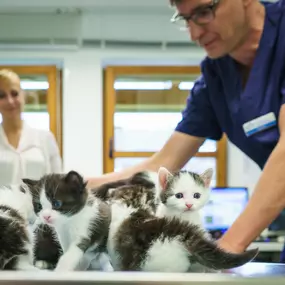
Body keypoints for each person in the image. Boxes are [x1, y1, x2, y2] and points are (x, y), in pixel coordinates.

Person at [88, 0, 285, 255]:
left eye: (204, 12)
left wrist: (226, 248)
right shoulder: (214, 78)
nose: (194, 34)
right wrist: (82, 186)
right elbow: (163, 163)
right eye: (185, 20)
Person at [0, 68, 62, 185]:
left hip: (36, 204)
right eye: (1, 96)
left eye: (14, 93)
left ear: (23, 95)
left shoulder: (45, 138)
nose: (10, 101)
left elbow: (58, 184)